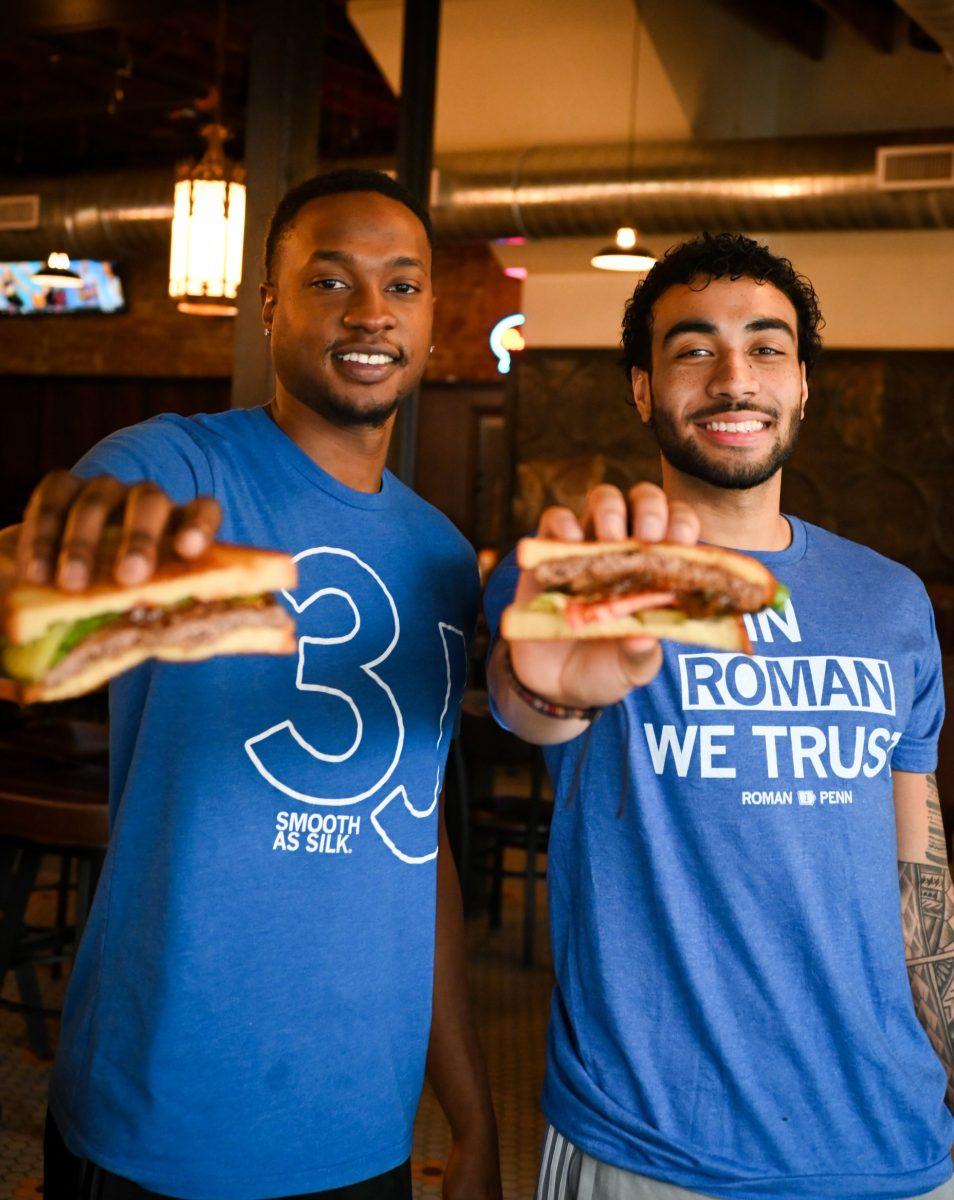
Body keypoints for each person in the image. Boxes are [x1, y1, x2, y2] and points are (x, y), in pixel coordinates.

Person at [14, 169, 501, 1200]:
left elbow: (417, 837)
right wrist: (69, 542)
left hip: (364, 1130)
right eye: (332, 281)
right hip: (155, 1118)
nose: (371, 311)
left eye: (403, 287)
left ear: (429, 320)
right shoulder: (182, 467)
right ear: (270, 305)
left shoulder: (444, 558)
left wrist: (471, 1109)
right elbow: (86, 521)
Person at [483, 233, 953, 1200]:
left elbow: (917, 854)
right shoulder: (574, 588)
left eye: (767, 347)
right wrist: (552, 687)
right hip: (650, 1142)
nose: (734, 377)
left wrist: (944, 1047)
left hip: (892, 1139)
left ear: (804, 385)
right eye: (693, 348)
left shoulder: (891, 601)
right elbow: (531, 708)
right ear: (644, 389)